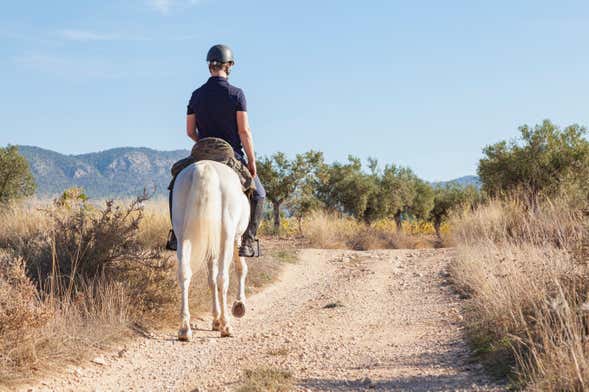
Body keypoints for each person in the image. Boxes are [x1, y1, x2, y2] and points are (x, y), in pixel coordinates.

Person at [166, 44, 266, 257]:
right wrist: (252, 161)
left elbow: (189, 131)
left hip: (201, 152)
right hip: (230, 155)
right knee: (259, 195)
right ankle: (247, 242)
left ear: (209, 66)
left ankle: (176, 235)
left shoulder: (196, 95)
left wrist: (204, 140)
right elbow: (244, 131)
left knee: (175, 184)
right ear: (229, 65)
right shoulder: (236, 94)